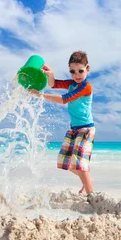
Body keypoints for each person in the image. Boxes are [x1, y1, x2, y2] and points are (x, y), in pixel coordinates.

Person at [29, 50, 95, 194]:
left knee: (79, 165)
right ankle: (88, 180)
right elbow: (54, 84)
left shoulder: (85, 87)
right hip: (74, 129)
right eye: (73, 71)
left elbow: (65, 99)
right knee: (66, 163)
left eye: (80, 71)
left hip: (86, 129)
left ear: (87, 69)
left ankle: (92, 196)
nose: (77, 75)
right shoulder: (71, 83)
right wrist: (51, 75)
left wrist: (41, 95)